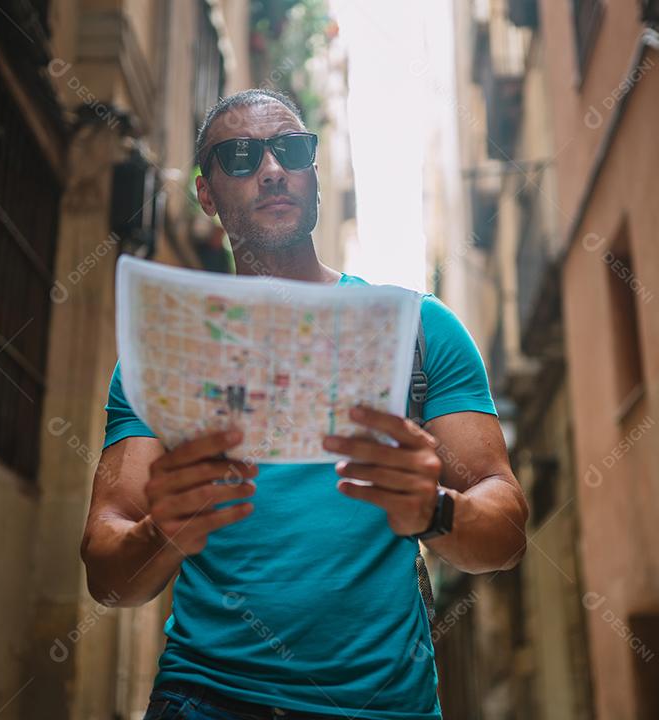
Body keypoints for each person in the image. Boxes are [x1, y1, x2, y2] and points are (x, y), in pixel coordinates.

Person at [81, 88, 529, 720]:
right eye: (238, 157)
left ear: (313, 173)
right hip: (206, 701)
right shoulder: (165, 356)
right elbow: (107, 569)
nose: (271, 169)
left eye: (290, 149)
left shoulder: (418, 330)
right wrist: (163, 533)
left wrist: (435, 509)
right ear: (206, 195)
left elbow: (507, 534)